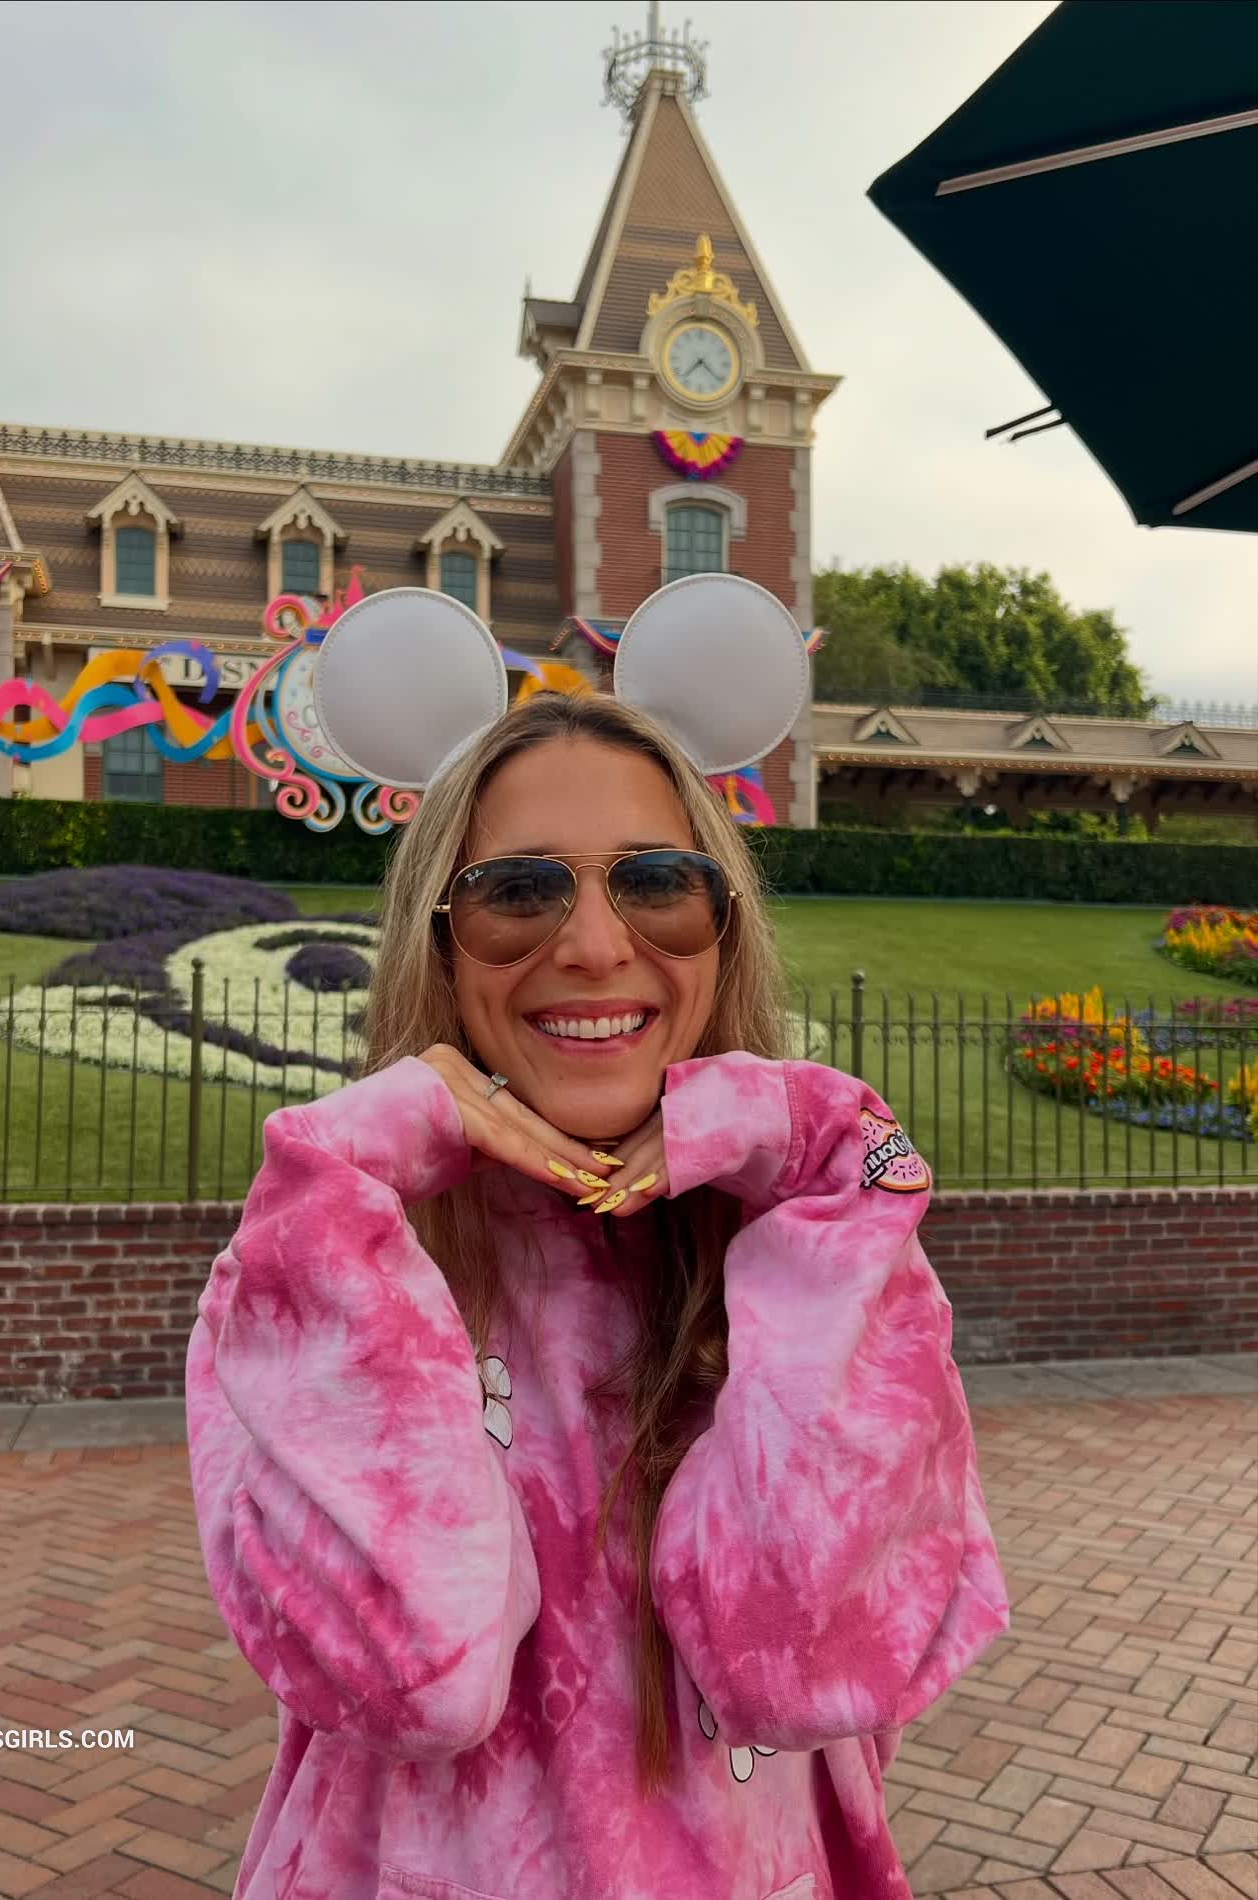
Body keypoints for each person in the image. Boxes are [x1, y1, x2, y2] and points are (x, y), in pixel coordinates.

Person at [185, 584, 1010, 1900]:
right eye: (517, 891)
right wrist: (346, 1183)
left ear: (720, 925)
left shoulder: (812, 1251)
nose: (591, 944)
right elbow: (411, 1674)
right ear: (439, 938)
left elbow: (807, 1663)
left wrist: (819, 1158)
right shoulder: (313, 1265)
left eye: (657, 884)